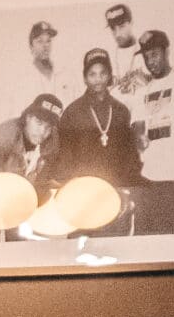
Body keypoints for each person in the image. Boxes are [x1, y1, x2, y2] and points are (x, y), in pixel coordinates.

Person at [129, 28, 174, 233]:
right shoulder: (142, 90)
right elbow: (138, 129)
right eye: (146, 57)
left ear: (166, 52)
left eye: (154, 54)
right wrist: (139, 138)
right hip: (147, 179)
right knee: (144, 238)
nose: (150, 61)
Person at [54, 50, 139, 223]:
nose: (98, 79)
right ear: (85, 78)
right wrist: (71, 188)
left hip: (115, 189)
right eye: (92, 74)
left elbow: (128, 154)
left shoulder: (120, 111)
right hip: (83, 191)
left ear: (109, 76)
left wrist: (125, 186)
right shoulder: (72, 112)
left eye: (102, 73)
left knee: (115, 234)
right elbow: (64, 157)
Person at [0, 94, 61, 239]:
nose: (43, 132)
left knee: (20, 237)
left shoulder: (52, 140)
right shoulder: (3, 137)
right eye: (38, 123)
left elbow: (44, 180)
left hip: (21, 184)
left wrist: (31, 210)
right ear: (28, 117)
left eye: (48, 127)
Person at [104, 0, 147, 100]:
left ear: (131, 23)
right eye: (113, 28)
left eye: (121, 26)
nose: (117, 34)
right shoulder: (107, 57)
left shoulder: (146, 51)